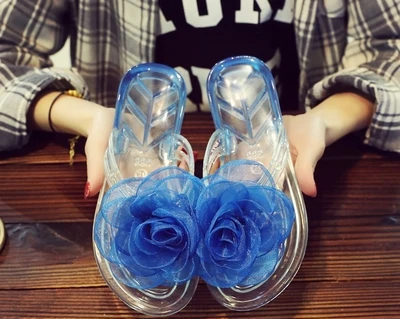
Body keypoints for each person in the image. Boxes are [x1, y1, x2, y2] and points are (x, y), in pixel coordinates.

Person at [0, 0, 399, 200]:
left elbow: (390, 50)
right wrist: (90, 118)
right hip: (135, 173)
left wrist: (324, 120)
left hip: (281, 171)